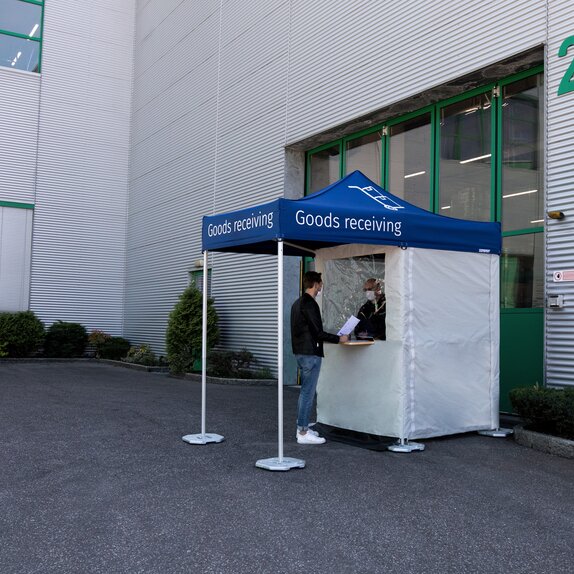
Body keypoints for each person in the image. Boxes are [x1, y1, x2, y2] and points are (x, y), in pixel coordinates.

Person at [290, 271, 348, 445]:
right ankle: (302, 432)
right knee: (307, 393)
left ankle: (302, 427)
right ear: (315, 284)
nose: (321, 287)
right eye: (320, 284)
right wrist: (339, 338)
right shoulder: (310, 304)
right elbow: (318, 332)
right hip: (310, 353)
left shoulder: (297, 303)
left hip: (301, 352)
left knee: (304, 392)